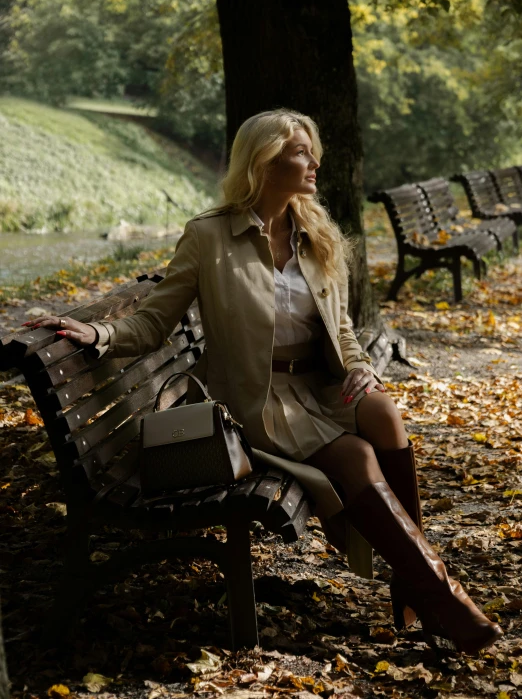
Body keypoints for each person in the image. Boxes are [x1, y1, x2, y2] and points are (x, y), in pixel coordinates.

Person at [23, 109, 501, 654]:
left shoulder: (316, 231)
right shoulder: (209, 236)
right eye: (300, 151)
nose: (314, 160)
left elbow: (340, 328)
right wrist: (97, 331)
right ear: (264, 160)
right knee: (358, 460)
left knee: (385, 413)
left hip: (320, 387)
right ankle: (443, 595)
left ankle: (414, 584)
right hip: (260, 400)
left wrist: (359, 368)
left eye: (311, 149)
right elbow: (154, 322)